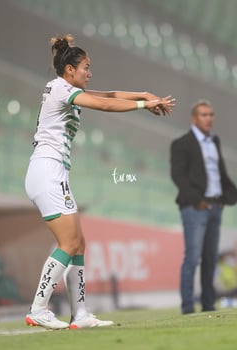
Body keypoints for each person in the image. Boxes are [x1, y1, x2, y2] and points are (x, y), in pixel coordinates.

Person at [24, 34, 175, 330]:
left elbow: (108, 95)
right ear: (70, 69)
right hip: (46, 171)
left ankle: (80, 314)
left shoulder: (66, 88)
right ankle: (39, 307)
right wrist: (144, 105)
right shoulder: (60, 88)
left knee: (78, 244)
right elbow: (103, 105)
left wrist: (144, 95)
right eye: (86, 67)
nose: (90, 73)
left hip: (53, 173)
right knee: (68, 243)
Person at [170, 99, 237, 314]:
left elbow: (219, 172)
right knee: (192, 257)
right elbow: (178, 176)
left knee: (210, 259)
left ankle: (209, 305)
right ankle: (188, 306)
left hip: (215, 206)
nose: (209, 118)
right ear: (194, 118)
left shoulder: (214, 141)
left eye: (211, 114)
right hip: (195, 208)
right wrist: (196, 200)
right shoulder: (181, 143)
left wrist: (228, 194)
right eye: (204, 114)